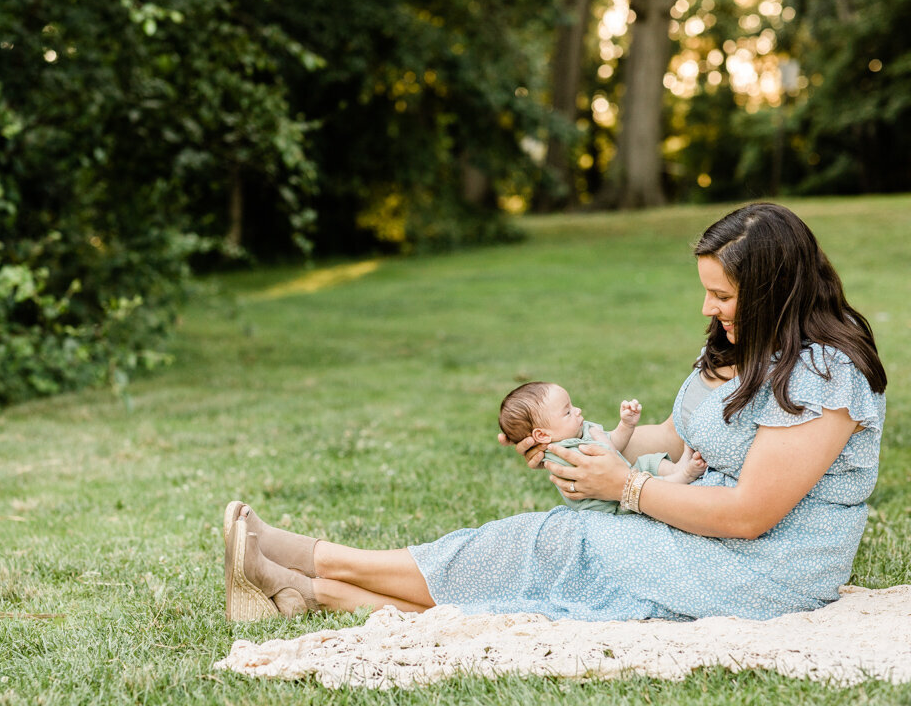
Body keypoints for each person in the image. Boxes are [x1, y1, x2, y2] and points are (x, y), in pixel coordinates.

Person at [223, 202, 887, 623]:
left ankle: (318, 559)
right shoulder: (740, 348)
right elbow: (668, 436)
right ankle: (308, 589)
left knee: (559, 544)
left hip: (765, 571)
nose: (706, 310)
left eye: (722, 295)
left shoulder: (826, 374)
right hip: (700, 535)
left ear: (774, 290)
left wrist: (625, 487)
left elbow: (749, 516)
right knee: (542, 550)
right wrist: (581, 444)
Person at [498, 382, 707, 513]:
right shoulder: (562, 453)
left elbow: (613, 445)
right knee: (645, 479)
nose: (578, 410)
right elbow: (606, 463)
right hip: (611, 506)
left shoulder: (579, 432)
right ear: (542, 435)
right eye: (567, 412)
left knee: (649, 462)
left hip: (622, 479)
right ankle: (683, 477)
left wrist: (626, 425)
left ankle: (678, 468)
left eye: (572, 406)